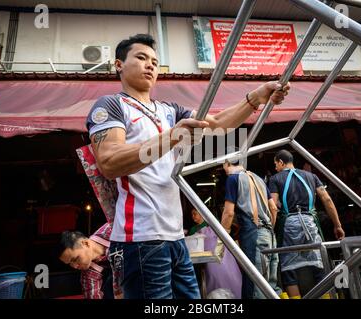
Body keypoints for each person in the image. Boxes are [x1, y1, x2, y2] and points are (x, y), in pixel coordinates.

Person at [86, 33, 290, 299]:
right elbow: (110, 162)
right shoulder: (111, 104)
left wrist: (255, 98)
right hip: (141, 238)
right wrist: (172, 137)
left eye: (155, 61)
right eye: (141, 57)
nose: (150, 65)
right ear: (118, 65)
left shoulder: (168, 110)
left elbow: (216, 126)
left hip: (175, 235)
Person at [268, 149, 345, 298]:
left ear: (281, 162)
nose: (275, 168)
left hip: (288, 226)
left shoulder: (275, 179)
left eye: (276, 164)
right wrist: (338, 225)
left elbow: (273, 206)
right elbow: (327, 200)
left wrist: (270, 229)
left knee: (288, 268)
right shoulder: (311, 176)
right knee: (318, 263)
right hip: (310, 223)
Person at [220, 158, 282, 299]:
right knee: (270, 286)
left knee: (255, 287)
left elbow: (229, 213)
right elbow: (273, 208)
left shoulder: (232, 179)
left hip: (253, 236)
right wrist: (268, 228)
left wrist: (222, 238)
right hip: (270, 236)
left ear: (227, 163)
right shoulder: (258, 179)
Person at [188, 208, 242, 298]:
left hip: (214, 262)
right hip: (225, 263)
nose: (193, 216)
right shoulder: (216, 227)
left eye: (195, 214)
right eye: (192, 214)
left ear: (202, 214)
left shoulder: (197, 231)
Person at [58, 223, 122, 299]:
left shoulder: (113, 228)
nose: (75, 266)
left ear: (85, 243)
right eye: (70, 264)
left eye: (75, 259)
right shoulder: (88, 276)